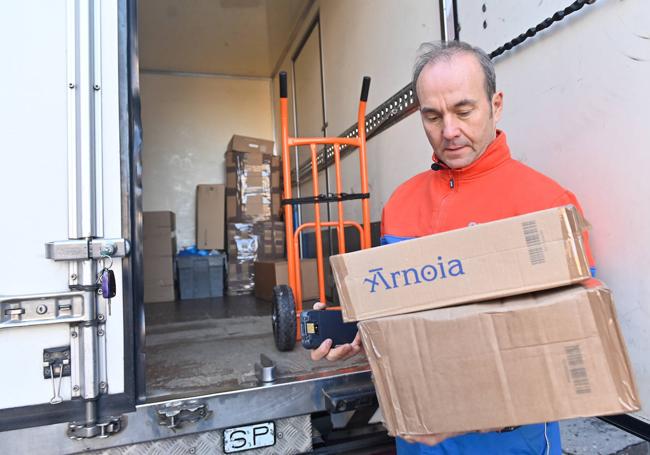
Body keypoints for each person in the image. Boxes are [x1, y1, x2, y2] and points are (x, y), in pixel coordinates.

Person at [311, 40, 595, 454]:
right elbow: (399, 322)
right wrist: (358, 330)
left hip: (511, 445)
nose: (448, 131)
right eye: (432, 116)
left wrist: (473, 414)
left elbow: (578, 343)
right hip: (417, 442)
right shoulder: (401, 205)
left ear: (495, 105)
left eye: (464, 111)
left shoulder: (547, 206)